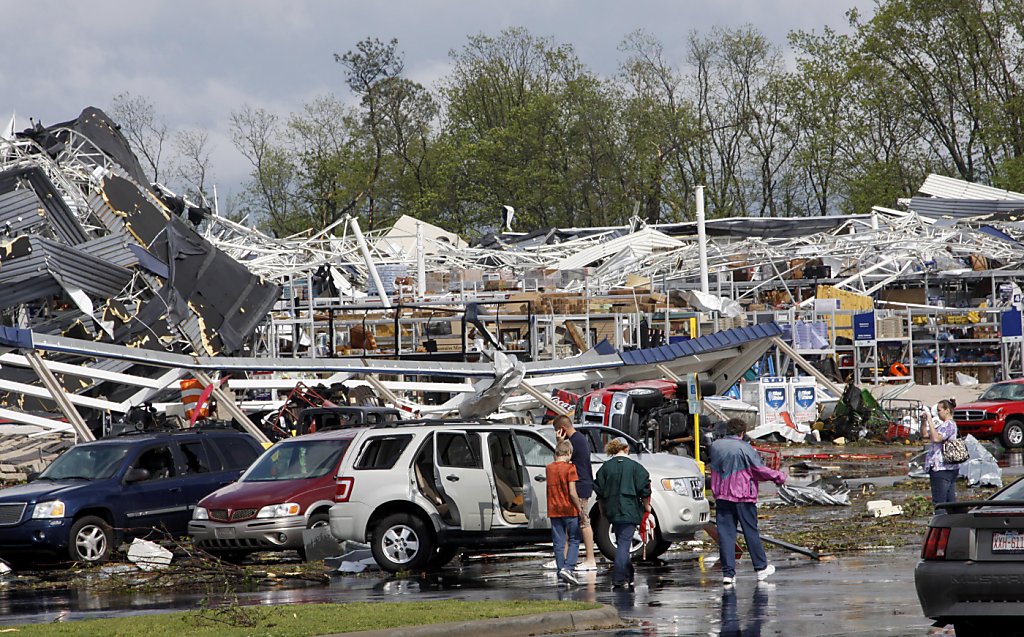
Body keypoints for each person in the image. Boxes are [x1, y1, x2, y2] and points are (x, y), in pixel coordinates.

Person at [709, 418, 787, 586]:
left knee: (726, 536)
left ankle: (728, 574)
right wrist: (779, 476)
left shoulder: (715, 447)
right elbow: (758, 470)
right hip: (743, 496)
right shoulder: (745, 448)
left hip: (722, 496)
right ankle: (760, 568)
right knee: (750, 532)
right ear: (742, 433)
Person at [593, 437, 651, 589]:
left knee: (621, 543)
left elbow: (599, 491)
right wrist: (646, 506)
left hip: (612, 509)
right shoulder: (636, 467)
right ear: (626, 449)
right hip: (629, 508)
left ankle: (629, 573)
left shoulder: (605, 468)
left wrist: (602, 510)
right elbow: (645, 488)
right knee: (624, 544)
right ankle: (618, 577)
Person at [553, 415, 597, 570]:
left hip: (579, 485)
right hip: (581, 484)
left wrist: (559, 442)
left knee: (584, 521)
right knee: (569, 523)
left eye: (556, 431)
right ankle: (563, 557)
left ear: (562, 430)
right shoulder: (580, 439)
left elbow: (562, 459)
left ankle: (590, 559)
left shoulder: (573, 442)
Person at [546, 440, 582, 585]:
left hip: (554, 509)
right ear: (568, 453)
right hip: (569, 508)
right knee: (574, 539)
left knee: (558, 542)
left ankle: (561, 570)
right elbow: (572, 492)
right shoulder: (570, 468)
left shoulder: (549, 468)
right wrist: (579, 507)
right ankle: (569, 567)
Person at [920, 399, 959, 508]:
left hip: (942, 468)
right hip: (946, 468)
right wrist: (924, 422)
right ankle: (951, 522)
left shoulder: (949, 425)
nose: (937, 413)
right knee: (950, 503)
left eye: (939, 410)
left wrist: (930, 420)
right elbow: (925, 435)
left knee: (940, 503)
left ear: (947, 410)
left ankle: (941, 523)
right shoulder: (943, 425)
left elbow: (936, 438)